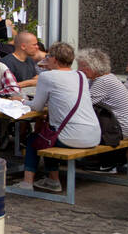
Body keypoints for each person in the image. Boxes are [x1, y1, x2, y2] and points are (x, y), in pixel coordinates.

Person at [21, 42, 100, 193]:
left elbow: (37, 106)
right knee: (49, 134)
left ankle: (27, 183)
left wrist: (21, 101)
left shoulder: (47, 76)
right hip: (94, 134)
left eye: (49, 56)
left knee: (35, 139)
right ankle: (52, 179)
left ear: (55, 59)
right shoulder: (81, 75)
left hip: (72, 137)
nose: (47, 58)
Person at [76, 47, 128, 171]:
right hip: (126, 126)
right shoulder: (107, 78)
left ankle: (105, 164)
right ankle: (107, 161)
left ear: (92, 67)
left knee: (76, 132)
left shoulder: (102, 82)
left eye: (81, 66)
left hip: (120, 128)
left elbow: (83, 105)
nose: (78, 70)